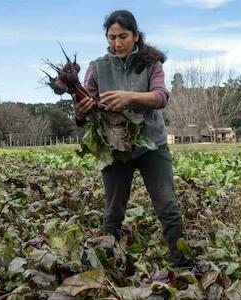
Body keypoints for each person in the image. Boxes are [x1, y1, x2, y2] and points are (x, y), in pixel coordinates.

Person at [74, 10, 189, 268]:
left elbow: (161, 97)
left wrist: (130, 97)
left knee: (167, 207)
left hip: (151, 145)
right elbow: (86, 107)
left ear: (135, 36)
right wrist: (79, 114)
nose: (117, 43)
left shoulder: (151, 64)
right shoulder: (97, 68)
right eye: (111, 37)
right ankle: (109, 265)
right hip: (115, 148)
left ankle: (182, 266)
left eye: (123, 36)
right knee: (113, 211)